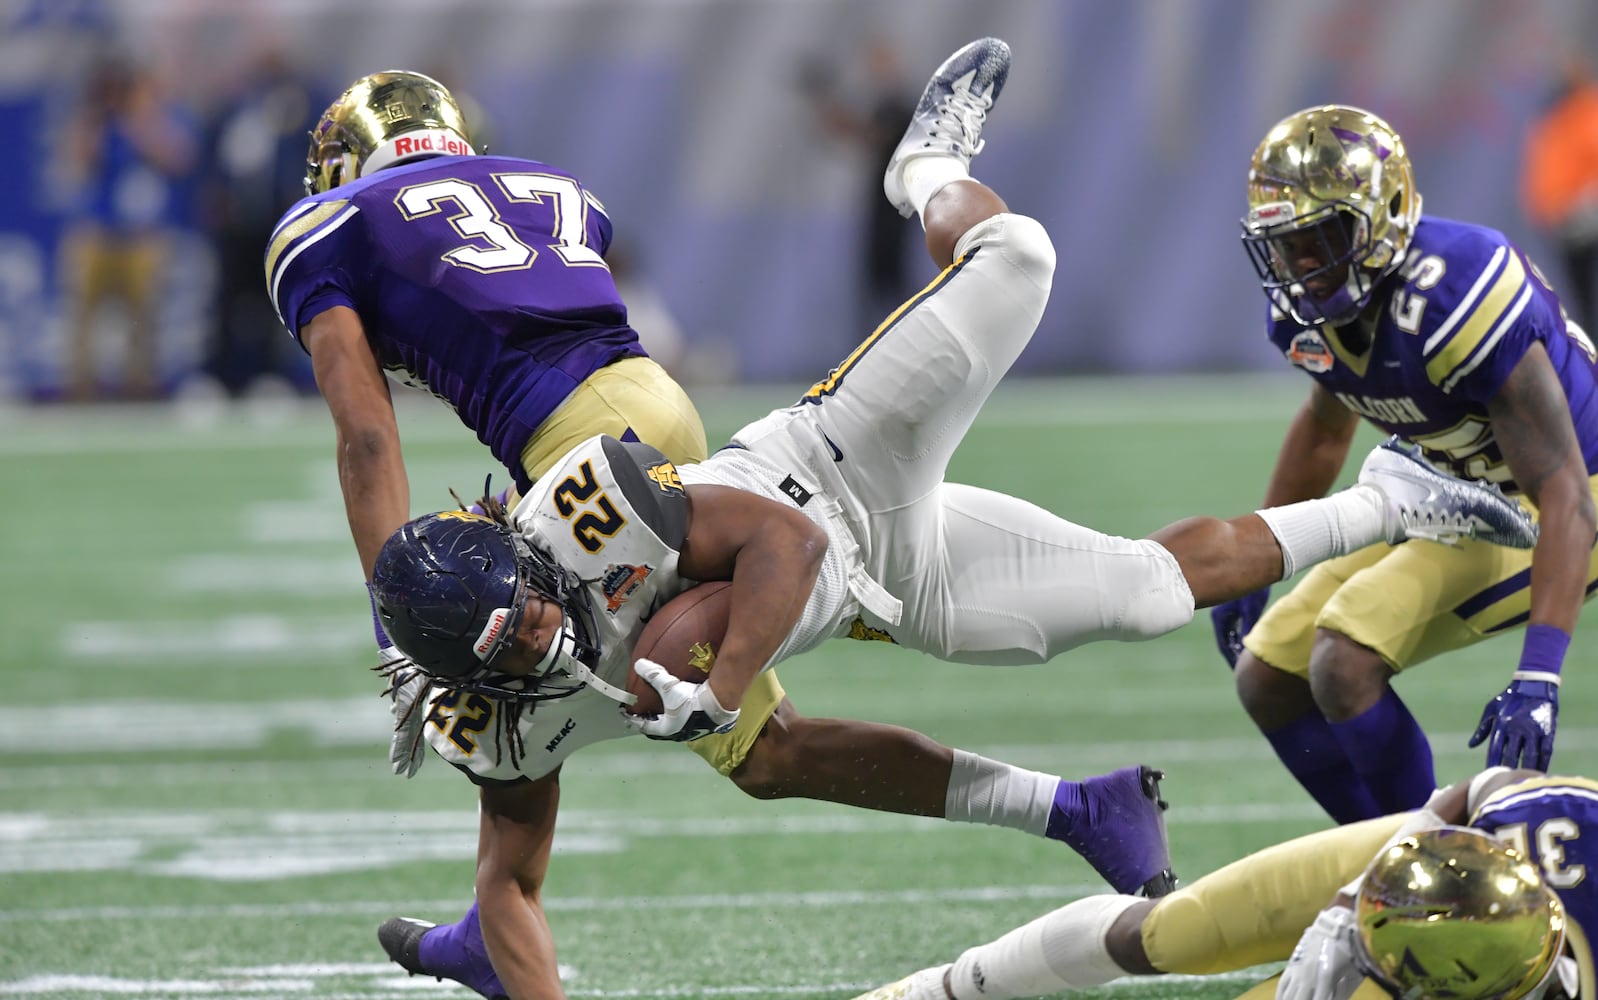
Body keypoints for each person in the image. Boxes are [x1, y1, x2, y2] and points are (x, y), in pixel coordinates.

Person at [364, 40, 1537, 1000]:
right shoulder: (492, 731)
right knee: (1141, 594)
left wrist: (717, 690)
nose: (536, 642)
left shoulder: (584, 511)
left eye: (523, 616)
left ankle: (924, 168)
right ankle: (1394, 498)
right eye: (512, 657)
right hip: (894, 578)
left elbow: (788, 544)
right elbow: (510, 889)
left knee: (1015, 256)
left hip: (830, 468)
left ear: (521, 563)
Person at [265, 64, 1197, 1000]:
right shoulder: (536, 185)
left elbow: (367, 436)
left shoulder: (327, 228)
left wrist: (398, 616)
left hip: (578, 449)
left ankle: (502, 909)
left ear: (357, 154)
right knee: (759, 750)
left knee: (564, 705)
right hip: (642, 406)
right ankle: (491, 921)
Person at [1208, 104, 1598, 825]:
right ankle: (1389, 857)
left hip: (1567, 501)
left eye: (1319, 237)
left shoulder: (1458, 292)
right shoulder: (1308, 311)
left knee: (1343, 657)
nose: (1301, 265)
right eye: (1287, 244)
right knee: (1268, 673)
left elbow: (1564, 489)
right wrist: (1263, 554)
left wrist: (1540, 673)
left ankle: (1443, 873)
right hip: (1449, 492)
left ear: (1381, 217)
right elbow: (1325, 432)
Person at [846, 766, 1585, 1000]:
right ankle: (945, 989)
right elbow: (1487, 783)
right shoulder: (1567, 826)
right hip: (1398, 858)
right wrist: (1345, 905)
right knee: (1177, 932)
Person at [60, 52, 198, 401]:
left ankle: (138, 388)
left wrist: (139, 116)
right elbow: (78, 160)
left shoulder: (155, 119)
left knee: (144, 319)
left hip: (144, 235)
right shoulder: (101, 121)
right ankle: (82, 390)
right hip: (99, 231)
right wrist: (98, 113)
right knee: (83, 319)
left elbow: (177, 157)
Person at [1522, 53, 1598, 335]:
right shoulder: (1552, 120)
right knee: (1582, 299)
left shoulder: (1589, 110)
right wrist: (1554, 212)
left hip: (1586, 220)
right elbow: (1544, 177)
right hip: (1568, 228)